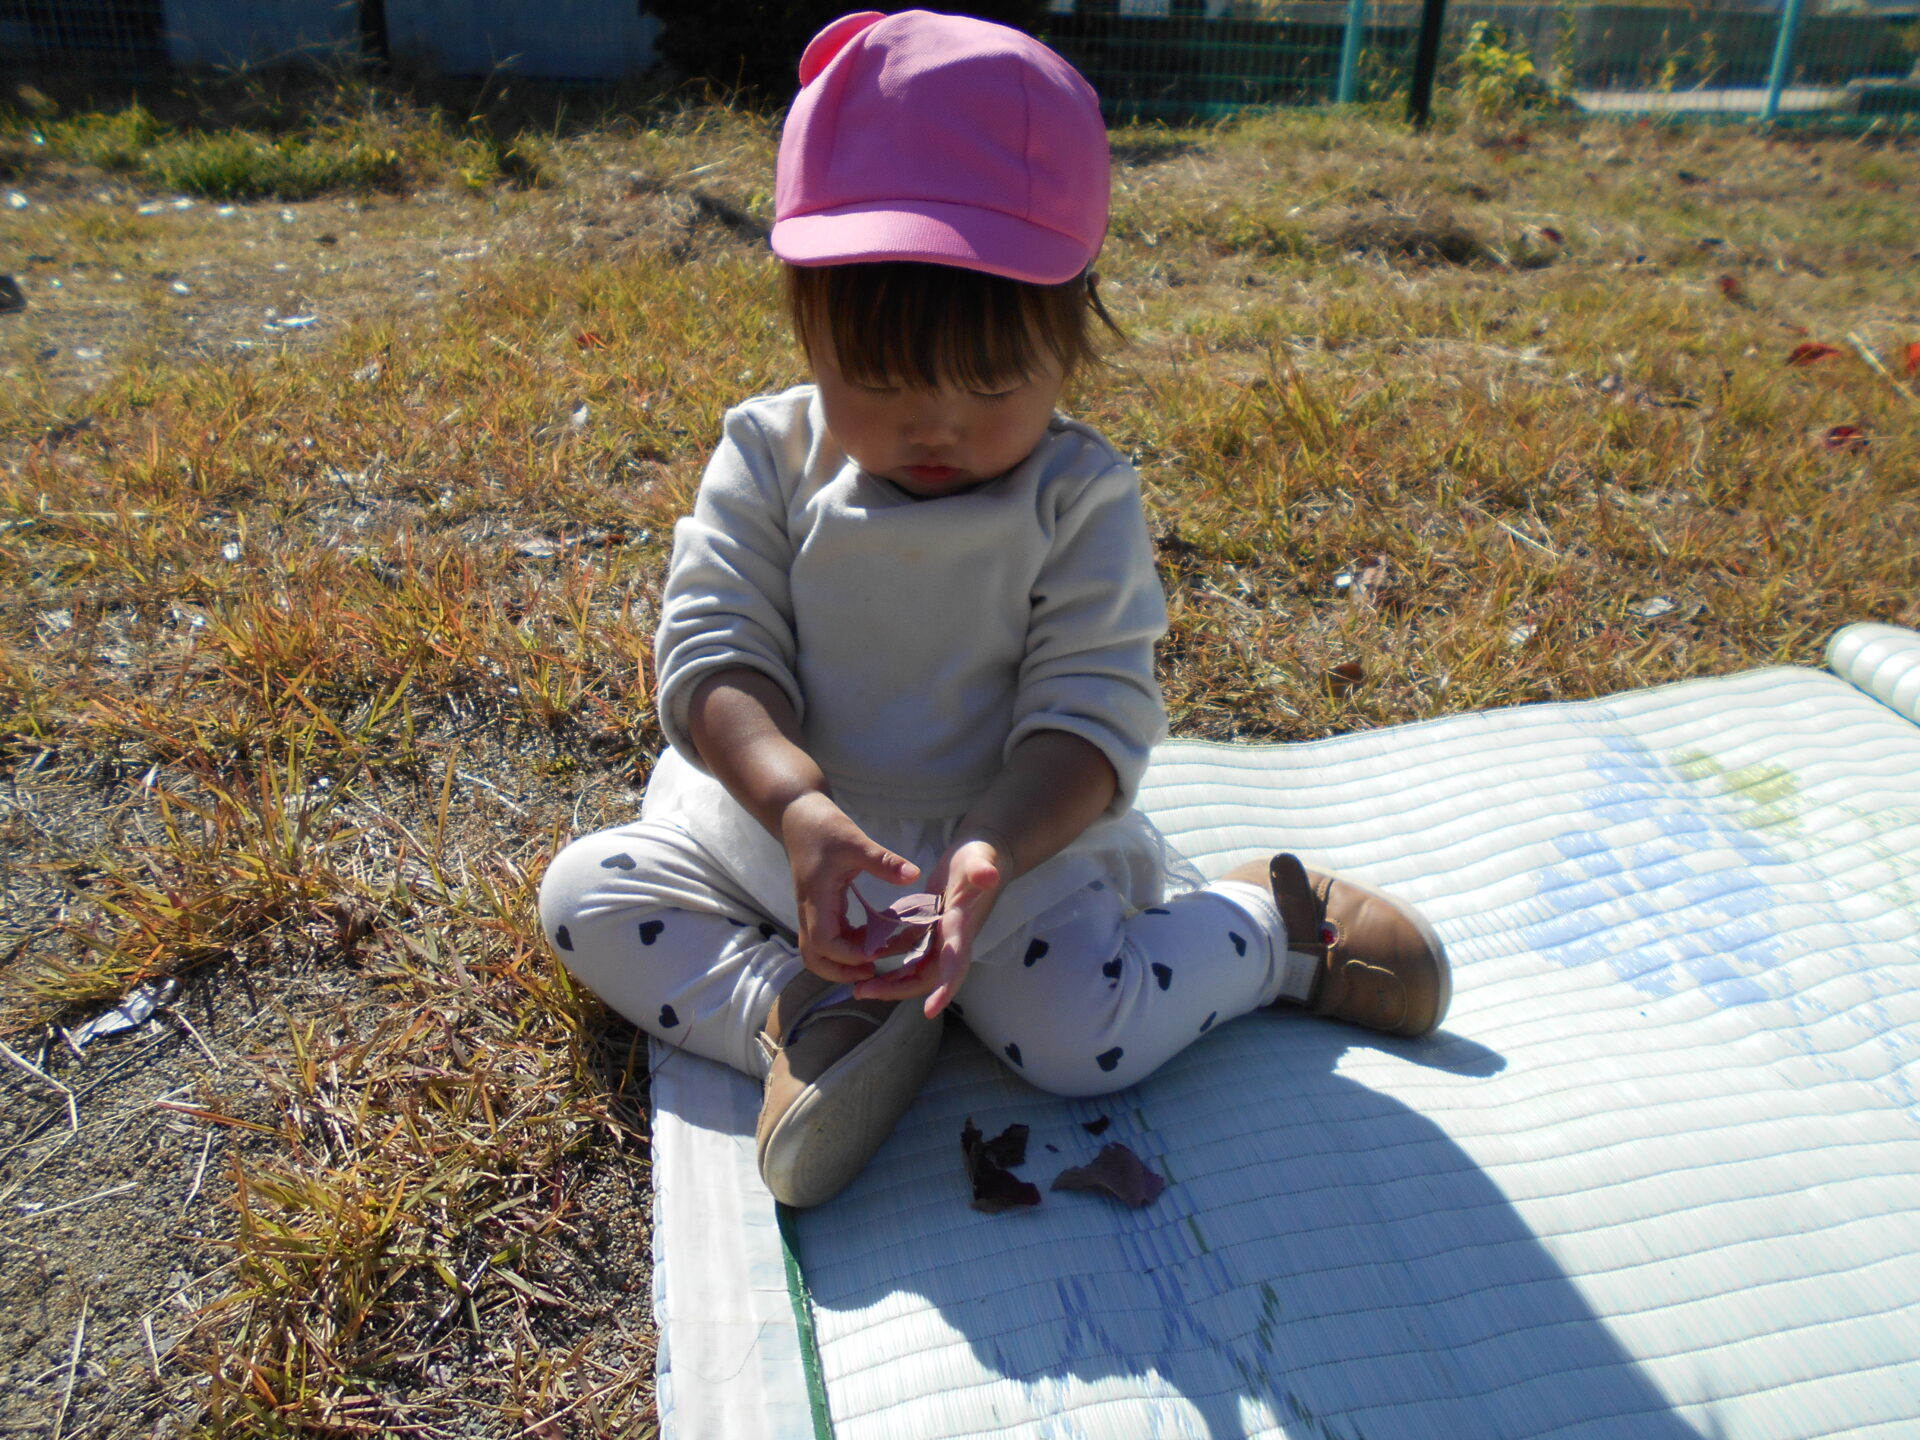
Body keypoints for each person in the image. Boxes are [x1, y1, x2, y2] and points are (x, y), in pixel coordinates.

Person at [538, 9, 1449, 1209]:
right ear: (805, 319)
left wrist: (993, 849)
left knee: (1076, 1040)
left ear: (1072, 328)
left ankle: (1273, 930)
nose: (936, 426)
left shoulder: (1078, 498)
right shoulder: (768, 456)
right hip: (784, 841)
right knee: (586, 894)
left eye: (989, 383)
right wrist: (796, 806)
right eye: (879, 379)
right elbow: (714, 652)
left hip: (1007, 851)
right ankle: (805, 1008)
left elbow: (1089, 715)